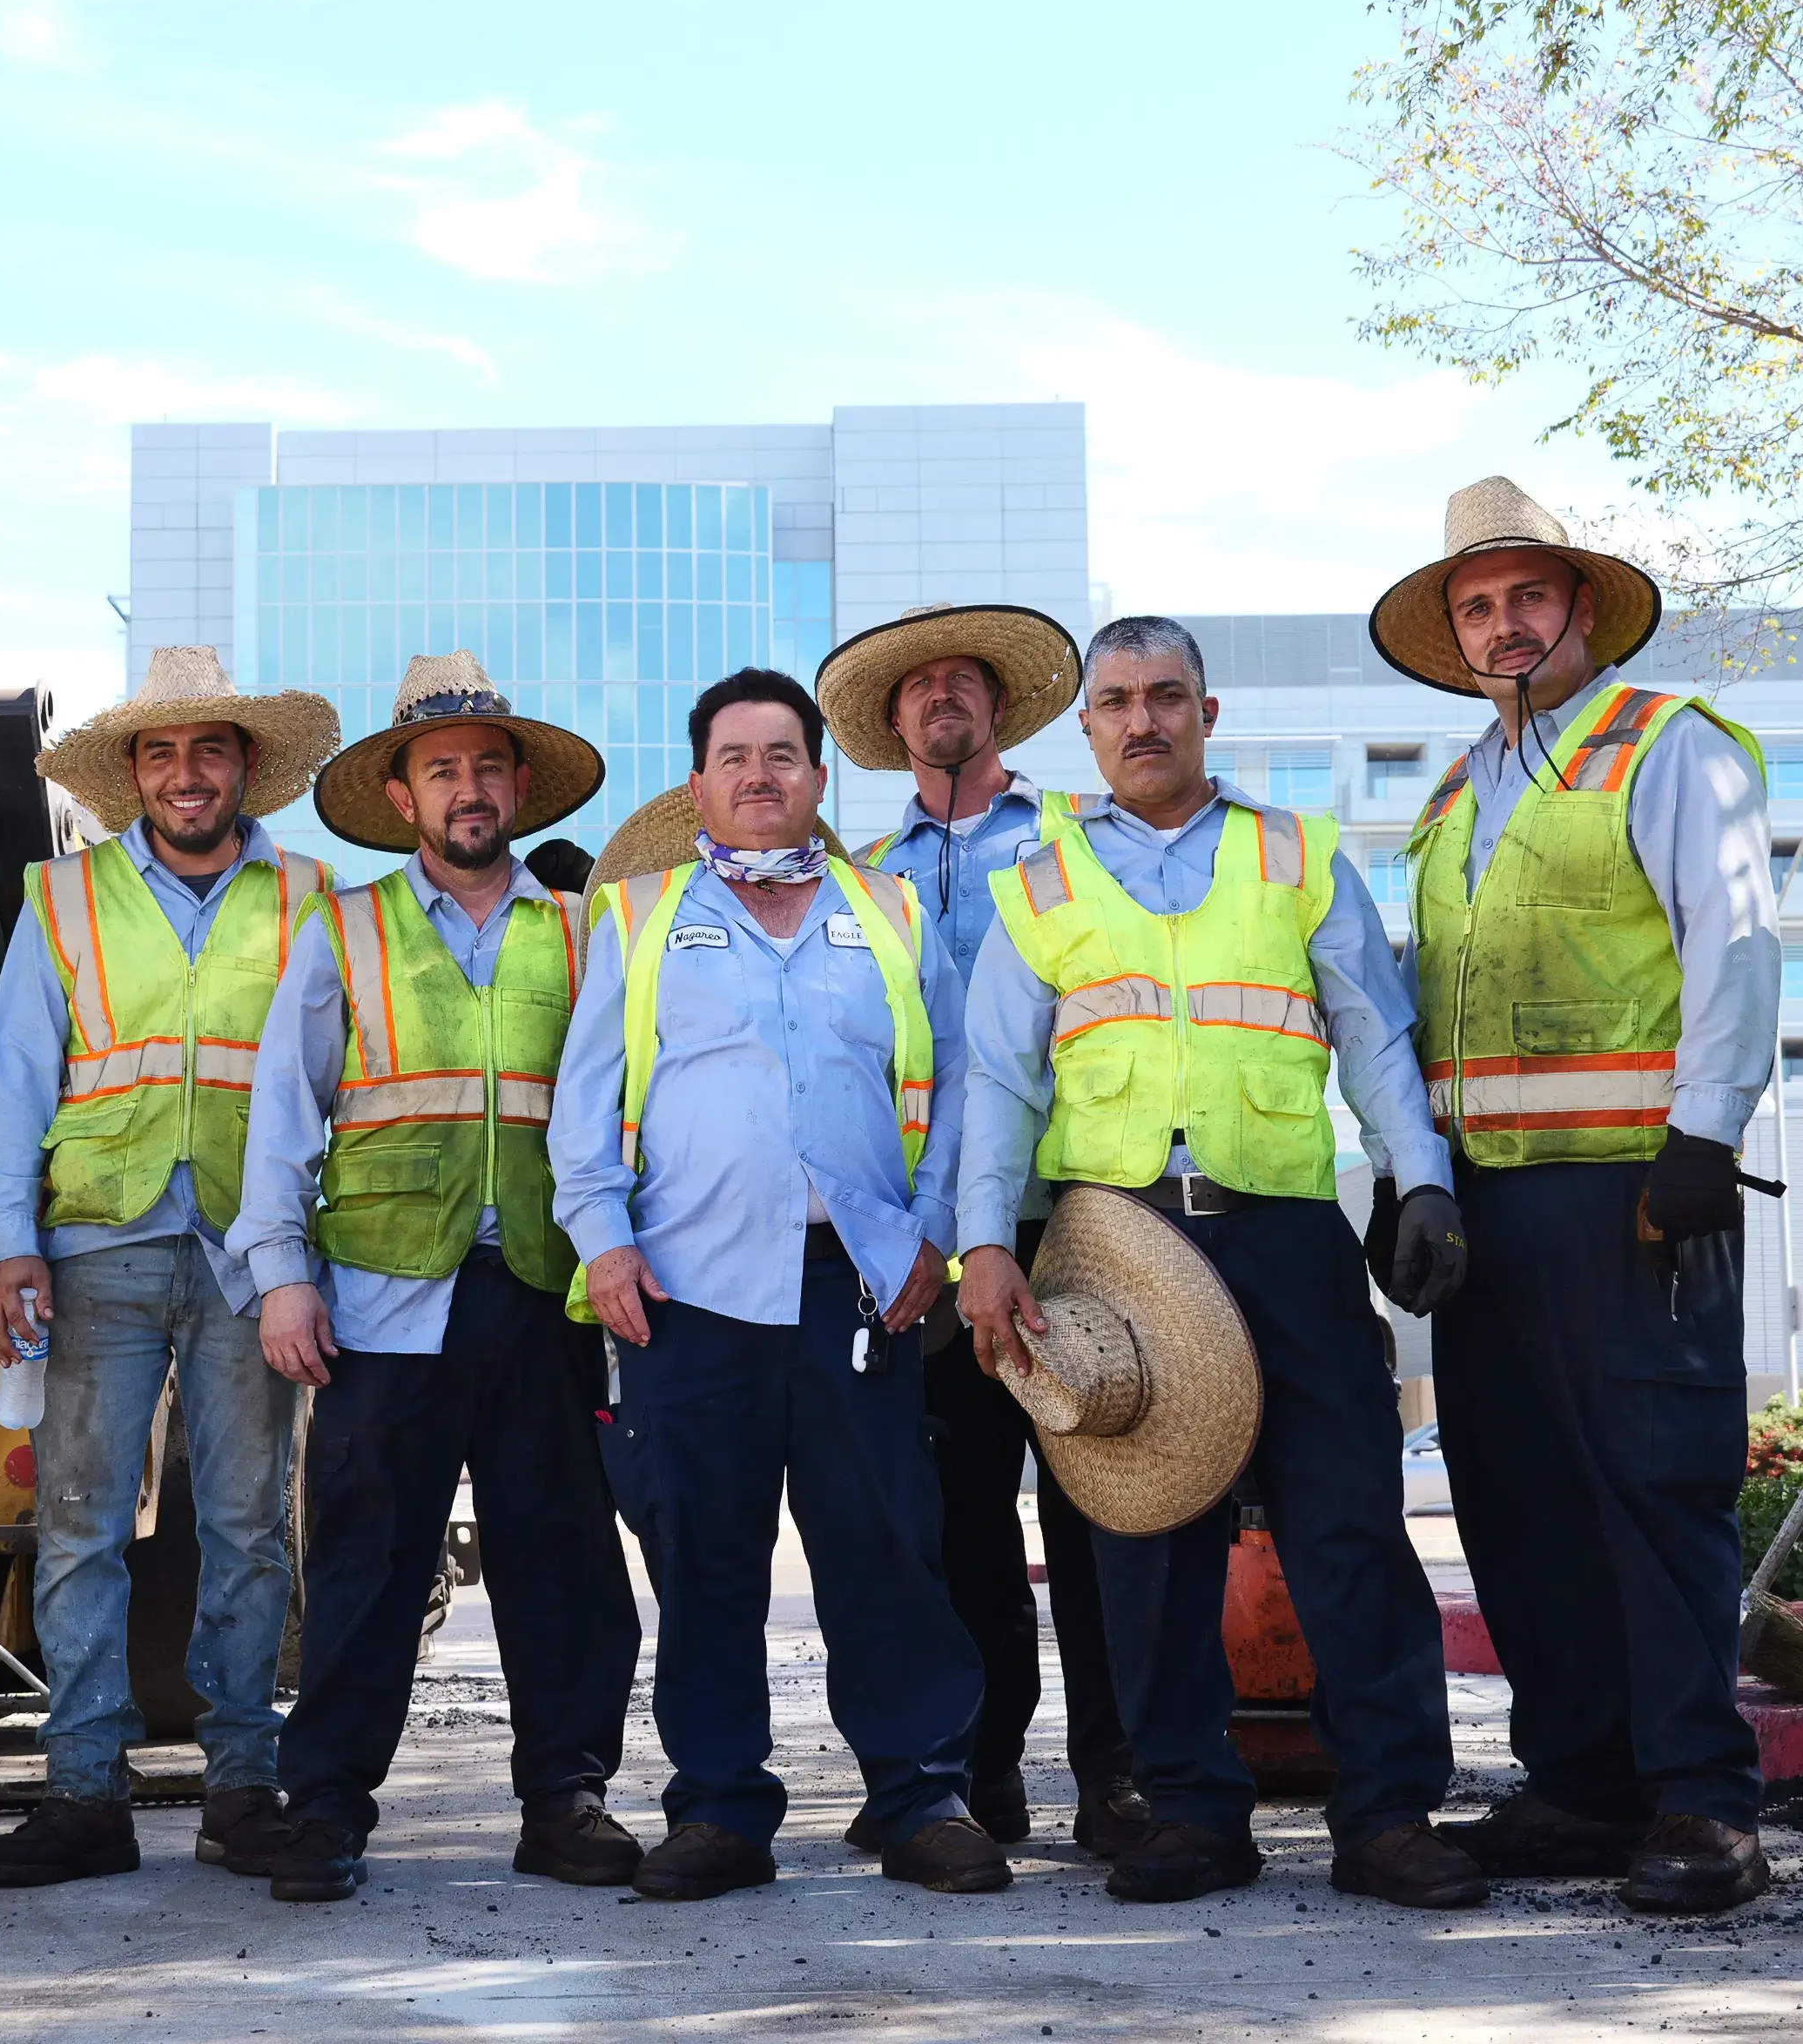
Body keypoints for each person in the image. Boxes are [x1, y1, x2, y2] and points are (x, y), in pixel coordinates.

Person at [957, 615, 1488, 1911]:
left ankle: (1388, 1814)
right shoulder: (1036, 882)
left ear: (1209, 712)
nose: (1144, 720)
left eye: (1168, 697)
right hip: (1116, 1245)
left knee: (1349, 1520)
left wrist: (1421, 1179)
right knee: (1148, 1543)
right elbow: (995, 1082)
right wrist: (982, 1242)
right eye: (1118, 700)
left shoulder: (1296, 858)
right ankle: (1191, 1810)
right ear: (1086, 727)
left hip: (1285, 1232)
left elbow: (1374, 1038)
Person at [1364, 480, 1782, 1913]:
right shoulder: (1449, 794)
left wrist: (1705, 1138)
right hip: (1485, 1207)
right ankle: (1585, 1783)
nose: (1504, 624)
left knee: (1656, 1495)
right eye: (1476, 606)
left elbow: (1734, 940)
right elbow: (1418, 1007)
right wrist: (1404, 1178)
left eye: (1527, 597)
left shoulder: (1664, 747)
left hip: (1636, 1193)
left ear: (1581, 609)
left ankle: (1701, 1802)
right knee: (1519, 1501)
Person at [551, 669, 1006, 1904]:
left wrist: (932, 1236)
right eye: (735, 757)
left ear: (819, 777)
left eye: (783, 755)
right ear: (699, 782)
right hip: (688, 1290)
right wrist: (603, 1240)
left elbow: (962, 1085)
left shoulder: (894, 913)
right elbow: (583, 1102)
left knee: (887, 1546)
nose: (760, 776)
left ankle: (921, 1794)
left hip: (860, 1283)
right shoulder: (637, 916)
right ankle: (719, 1810)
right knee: (704, 1557)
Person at [225, 654, 643, 1903]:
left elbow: (619, 1112)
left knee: (562, 1553)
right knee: (366, 1560)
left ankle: (565, 1798)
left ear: (520, 787)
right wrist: (280, 1276)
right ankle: (328, 1807)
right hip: (378, 1293)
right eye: (441, 769)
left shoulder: (585, 932)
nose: (469, 788)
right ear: (403, 797)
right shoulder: (341, 930)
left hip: (538, 1285)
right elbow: (281, 1117)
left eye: (487, 767)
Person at [0, 647, 340, 1888]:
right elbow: (15, 1080)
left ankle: (244, 1786)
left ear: (245, 767)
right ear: (133, 776)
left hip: (251, 1251)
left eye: (210, 750)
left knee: (249, 1528)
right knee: (77, 1529)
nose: (187, 774)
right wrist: (9, 1240)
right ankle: (83, 1791)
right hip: (98, 1248)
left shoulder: (308, 896)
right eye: (162, 753)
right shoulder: (64, 899)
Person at [815, 602, 1136, 1857]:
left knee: (1097, 1506)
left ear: (1002, 709)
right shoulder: (863, 879)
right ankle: (977, 1772)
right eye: (918, 688)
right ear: (892, 725)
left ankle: (1116, 1775)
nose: (941, 697)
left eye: (964, 681)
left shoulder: (1081, 840)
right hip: (925, 1243)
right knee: (952, 1521)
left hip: (1067, 1219)